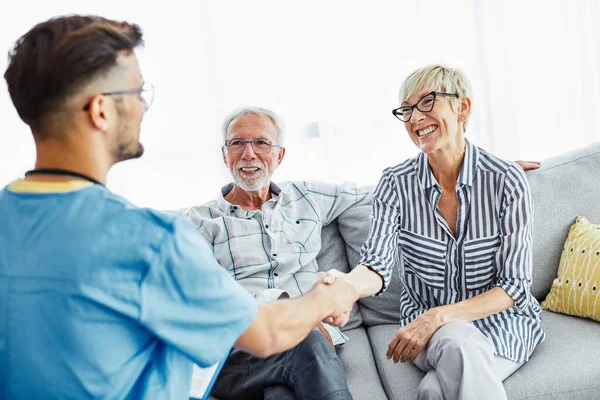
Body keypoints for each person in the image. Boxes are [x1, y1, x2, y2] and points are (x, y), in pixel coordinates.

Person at [0, 15, 358, 400]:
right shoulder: (148, 240)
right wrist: (328, 297)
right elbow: (266, 332)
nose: (143, 107)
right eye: (137, 92)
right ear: (101, 110)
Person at [319, 64, 545, 400]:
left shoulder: (505, 181)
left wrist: (438, 317)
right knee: (455, 338)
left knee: (433, 391)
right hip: (429, 333)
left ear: (462, 107)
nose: (414, 118)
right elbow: (376, 264)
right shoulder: (395, 183)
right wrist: (348, 286)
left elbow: (513, 286)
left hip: (503, 323)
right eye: (407, 109)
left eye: (427, 102)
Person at [183, 106, 373, 400]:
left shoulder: (308, 196)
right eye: (238, 143)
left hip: (303, 350)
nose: (249, 154)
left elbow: (380, 191)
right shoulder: (198, 223)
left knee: (280, 395)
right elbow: (205, 304)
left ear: (279, 155)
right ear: (224, 154)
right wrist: (300, 314)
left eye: (261, 143)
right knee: (306, 338)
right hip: (240, 351)